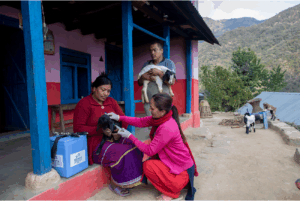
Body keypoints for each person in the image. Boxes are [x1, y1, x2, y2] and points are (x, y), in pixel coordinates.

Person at [107, 93, 198, 201]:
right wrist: (119, 117)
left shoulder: (167, 127)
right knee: (149, 164)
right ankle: (174, 185)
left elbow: (150, 150)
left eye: (152, 108)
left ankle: (172, 193)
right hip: (175, 165)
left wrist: (130, 136)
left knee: (148, 166)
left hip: (182, 173)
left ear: (162, 111)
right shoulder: (161, 118)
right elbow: (140, 121)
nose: (150, 109)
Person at [73, 72, 143, 196]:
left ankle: (133, 179)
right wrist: (101, 131)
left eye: (108, 91)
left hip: (114, 137)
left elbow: (122, 118)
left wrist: (118, 133)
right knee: (122, 152)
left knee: (135, 144)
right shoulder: (84, 104)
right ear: (94, 89)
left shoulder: (111, 101)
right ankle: (115, 183)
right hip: (96, 143)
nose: (106, 93)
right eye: (103, 90)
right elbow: (78, 128)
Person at [138, 40, 176, 117]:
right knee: (151, 126)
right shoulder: (146, 65)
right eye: (151, 50)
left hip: (163, 104)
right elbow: (139, 82)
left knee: (164, 125)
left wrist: (159, 73)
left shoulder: (168, 63)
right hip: (150, 104)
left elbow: (172, 82)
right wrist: (143, 77)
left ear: (161, 51)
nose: (152, 53)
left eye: (154, 50)